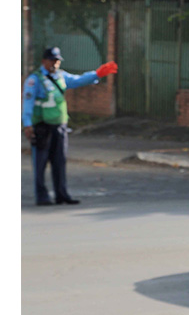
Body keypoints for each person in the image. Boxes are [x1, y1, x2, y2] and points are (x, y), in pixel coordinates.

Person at [22, 47, 118, 206]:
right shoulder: (35, 80)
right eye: (52, 60)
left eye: (57, 61)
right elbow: (27, 103)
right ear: (43, 61)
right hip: (41, 127)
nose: (55, 63)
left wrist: (97, 74)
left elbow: (78, 80)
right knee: (40, 163)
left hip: (59, 126)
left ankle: (62, 194)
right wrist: (27, 124)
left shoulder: (61, 76)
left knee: (59, 162)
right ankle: (42, 196)